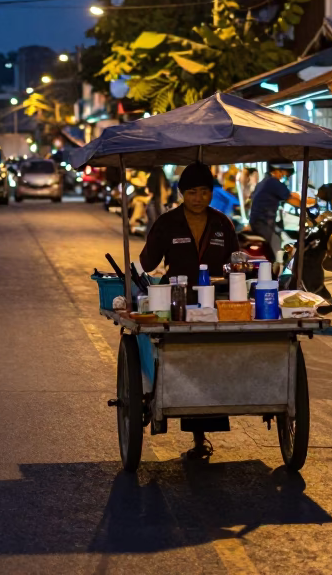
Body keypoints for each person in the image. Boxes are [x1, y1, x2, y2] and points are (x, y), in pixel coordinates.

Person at [140, 162, 240, 460]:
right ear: (182, 193)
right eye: (192, 192)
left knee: (209, 364)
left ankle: (201, 435)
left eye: (205, 192)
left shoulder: (223, 223)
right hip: (175, 303)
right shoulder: (167, 223)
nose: (199, 198)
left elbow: (235, 262)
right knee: (181, 362)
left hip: (213, 304)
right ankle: (172, 410)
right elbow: (147, 263)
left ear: (212, 193)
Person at [248, 160, 315, 257]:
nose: (284, 177)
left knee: (277, 240)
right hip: (263, 223)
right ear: (278, 170)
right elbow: (291, 199)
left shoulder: (266, 181)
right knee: (272, 251)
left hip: (258, 222)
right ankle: (273, 267)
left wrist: (307, 198)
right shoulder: (273, 183)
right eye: (284, 174)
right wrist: (307, 204)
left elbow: (290, 194)